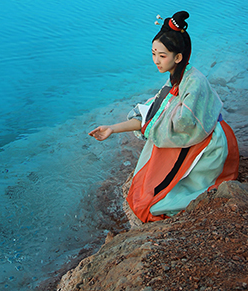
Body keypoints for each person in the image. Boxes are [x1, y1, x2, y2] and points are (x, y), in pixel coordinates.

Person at [89, 11, 239, 222]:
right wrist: (112, 128)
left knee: (157, 202)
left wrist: (152, 125)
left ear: (178, 57)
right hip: (193, 137)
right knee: (147, 187)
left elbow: (182, 123)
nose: (156, 61)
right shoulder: (176, 78)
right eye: (153, 54)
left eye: (162, 56)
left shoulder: (194, 82)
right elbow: (152, 112)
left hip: (209, 145)